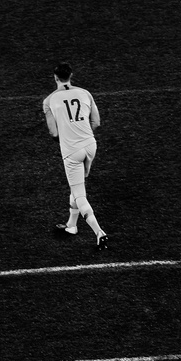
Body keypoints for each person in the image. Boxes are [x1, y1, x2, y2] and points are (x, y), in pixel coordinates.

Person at [42, 62, 108, 250]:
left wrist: (68, 139)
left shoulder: (49, 101)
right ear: (71, 75)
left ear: (55, 77)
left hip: (72, 151)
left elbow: (53, 133)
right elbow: (96, 122)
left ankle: (99, 232)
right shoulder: (85, 93)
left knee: (79, 193)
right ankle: (71, 225)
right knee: (78, 184)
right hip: (90, 145)